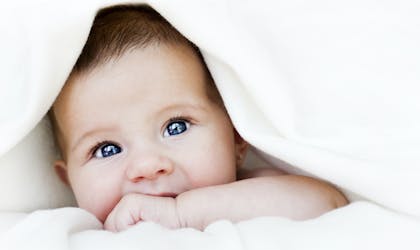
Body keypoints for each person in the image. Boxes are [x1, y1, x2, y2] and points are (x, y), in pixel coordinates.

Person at [50, 4, 348, 232]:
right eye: (107, 149)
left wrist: (181, 215)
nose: (148, 166)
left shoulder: (249, 199)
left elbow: (327, 204)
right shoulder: (77, 234)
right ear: (69, 179)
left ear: (236, 139)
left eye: (176, 127)